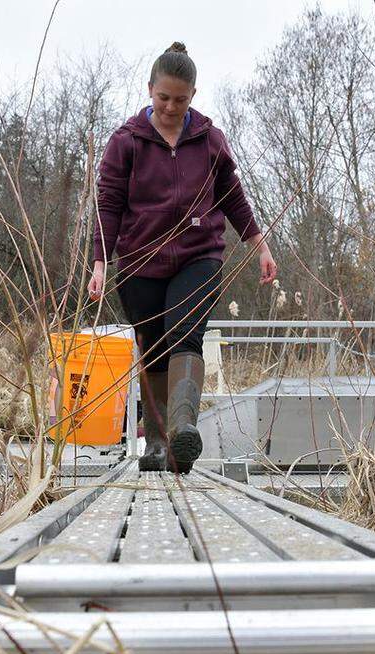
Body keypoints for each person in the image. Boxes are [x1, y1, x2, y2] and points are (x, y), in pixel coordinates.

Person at [88, 41, 277, 474]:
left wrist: (260, 245)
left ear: (194, 95)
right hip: (138, 261)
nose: (171, 107)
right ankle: (156, 444)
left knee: (185, 334)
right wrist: (100, 262)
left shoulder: (209, 140)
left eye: (181, 99)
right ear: (149, 90)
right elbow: (108, 204)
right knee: (152, 349)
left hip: (199, 255)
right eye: (163, 98)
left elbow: (233, 198)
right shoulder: (126, 142)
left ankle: (182, 432)